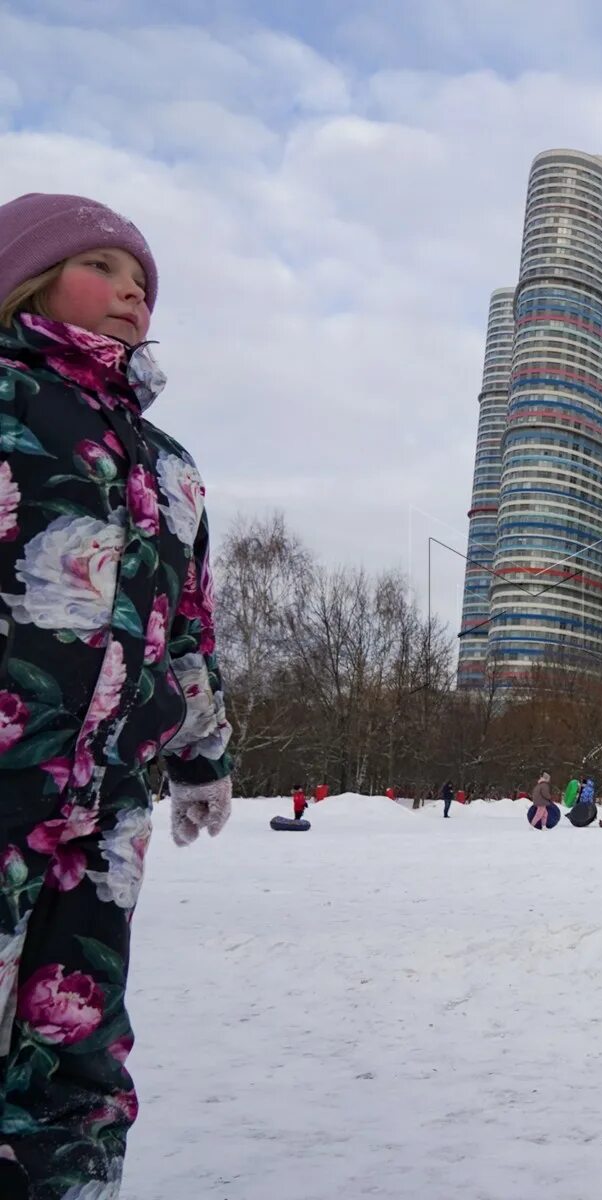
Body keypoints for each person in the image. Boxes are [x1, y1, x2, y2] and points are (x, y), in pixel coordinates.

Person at [0, 192, 239, 1194]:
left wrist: (203, 759)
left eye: (144, 285)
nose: (131, 296)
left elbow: (188, 627)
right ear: (29, 278)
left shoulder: (170, 465)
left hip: (106, 806)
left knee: (78, 1037)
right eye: (105, 269)